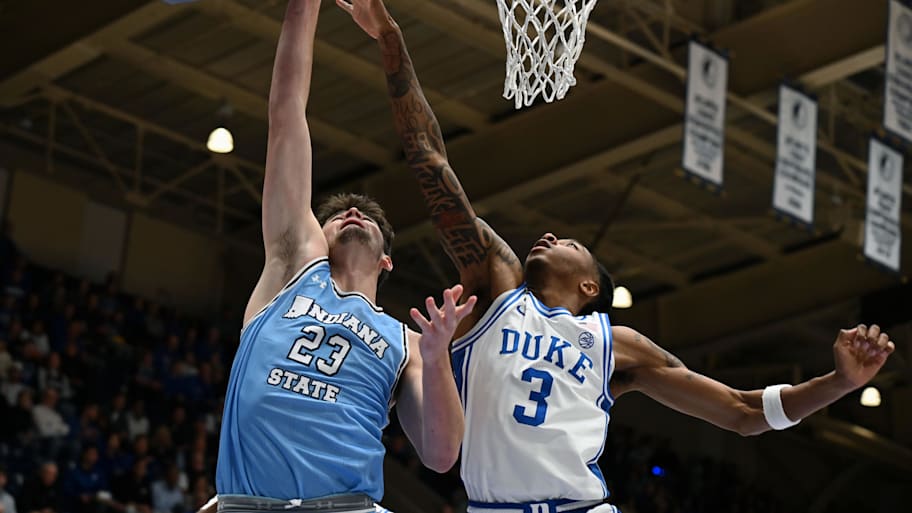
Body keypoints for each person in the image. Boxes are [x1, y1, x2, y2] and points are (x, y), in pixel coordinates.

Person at [339, 1, 899, 511]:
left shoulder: (616, 344)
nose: (550, 236)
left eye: (570, 244)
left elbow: (743, 411)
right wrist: (391, 39)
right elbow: (429, 159)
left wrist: (839, 382)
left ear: (590, 287)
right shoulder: (498, 287)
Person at [214, 1, 475, 512]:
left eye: (367, 217)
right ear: (317, 234)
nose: (353, 212)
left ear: (386, 261)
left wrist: (437, 357)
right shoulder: (294, 267)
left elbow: (442, 454)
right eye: (337, 216)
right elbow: (286, 114)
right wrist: (303, 7)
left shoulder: (408, 342)